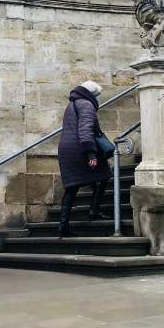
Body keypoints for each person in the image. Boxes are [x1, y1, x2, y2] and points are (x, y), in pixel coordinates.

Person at [56, 81, 109, 237]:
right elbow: (85, 129)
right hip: (80, 149)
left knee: (72, 187)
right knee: (105, 175)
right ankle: (93, 210)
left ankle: (63, 225)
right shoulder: (86, 105)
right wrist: (91, 154)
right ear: (92, 94)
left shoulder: (72, 104)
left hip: (67, 149)